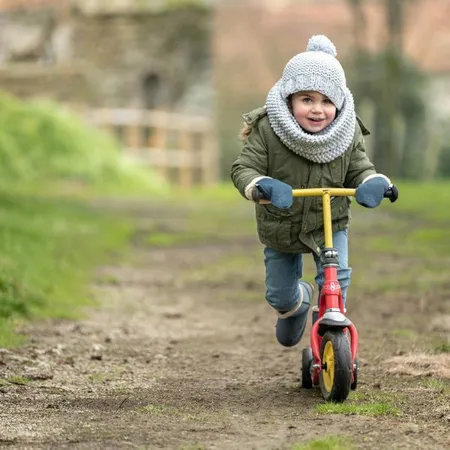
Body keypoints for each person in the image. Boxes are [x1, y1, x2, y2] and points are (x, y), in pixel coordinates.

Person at [231, 35, 396, 348]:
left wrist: (372, 182)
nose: (318, 109)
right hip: (282, 221)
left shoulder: (347, 131)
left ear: (340, 103)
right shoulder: (269, 128)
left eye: (327, 101)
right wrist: (259, 186)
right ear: (290, 98)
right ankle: (296, 304)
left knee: (338, 282)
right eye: (307, 99)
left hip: (329, 223)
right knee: (279, 294)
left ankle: (328, 334)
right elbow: (244, 168)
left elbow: (360, 167)